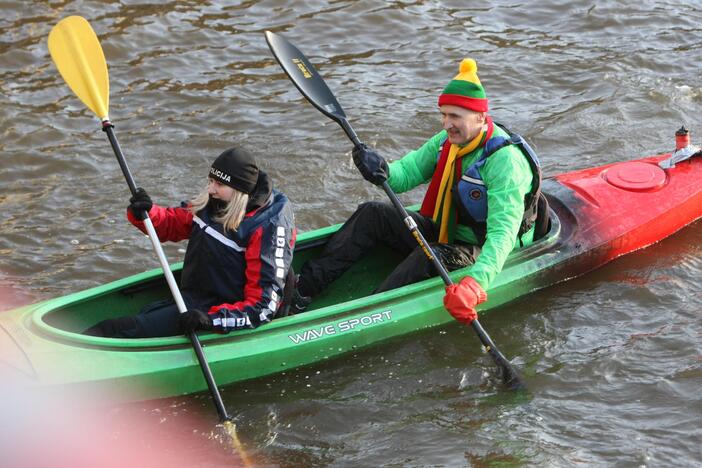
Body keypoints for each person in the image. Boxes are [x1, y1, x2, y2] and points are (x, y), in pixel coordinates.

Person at [292, 58, 545, 325]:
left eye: (455, 116)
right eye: (444, 115)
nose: (447, 124)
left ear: (481, 117)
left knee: (429, 256)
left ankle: (369, 315)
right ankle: (302, 290)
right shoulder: (448, 140)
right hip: (448, 229)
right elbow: (408, 173)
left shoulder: (504, 162)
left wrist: (474, 285)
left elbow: (502, 234)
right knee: (372, 213)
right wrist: (380, 169)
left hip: (480, 246)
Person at [85, 147, 296, 338]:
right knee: (123, 324)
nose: (211, 189)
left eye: (219, 184)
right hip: (195, 298)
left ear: (240, 191)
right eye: (211, 181)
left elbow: (263, 307)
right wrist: (145, 212)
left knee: (111, 331)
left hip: (221, 313)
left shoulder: (267, 227)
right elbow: (172, 224)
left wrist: (211, 320)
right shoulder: (214, 202)